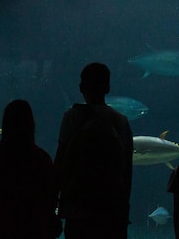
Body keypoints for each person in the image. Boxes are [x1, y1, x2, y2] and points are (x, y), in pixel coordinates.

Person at [54, 62, 133, 239]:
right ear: (108, 88)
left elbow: (60, 165)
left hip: (77, 211)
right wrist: (123, 212)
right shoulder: (121, 121)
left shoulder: (72, 117)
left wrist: (54, 208)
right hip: (111, 211)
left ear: (81, 87)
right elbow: (126, 172)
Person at [0, 99, 61, 239]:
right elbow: (50, 196)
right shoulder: (41, 158)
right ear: (31, 125)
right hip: (32, 230)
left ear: (5, 124)